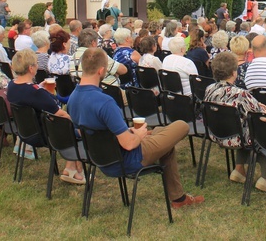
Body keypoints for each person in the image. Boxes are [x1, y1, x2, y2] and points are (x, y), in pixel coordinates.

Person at [68, 47, 204, 207]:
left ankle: (179, 199)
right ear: (101, 71)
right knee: (181, 125)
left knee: (163, 137)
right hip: (127, 159)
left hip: (100, 158)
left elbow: (83, 131)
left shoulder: (73, 98)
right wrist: (138, 135)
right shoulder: (105, 102)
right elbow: (129, 144)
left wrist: (129, 132)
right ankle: (178, 198)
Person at [205, 51, 266, 192]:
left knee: (244, 125)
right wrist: (261, 108)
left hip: (216, 134)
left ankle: (239, 170)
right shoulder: (240, 94)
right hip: (237, 138)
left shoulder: (209, 89)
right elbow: (261, 117)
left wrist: (257, 107)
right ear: (234, 73)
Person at [7, 50, 85, 183]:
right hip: (44, 135)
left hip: (25, 132)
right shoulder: (35, 92)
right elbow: (60, 113)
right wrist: (76, 124)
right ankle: (73, 168)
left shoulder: (12, 85)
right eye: (37, 64)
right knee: (76, 127)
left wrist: (39, 88)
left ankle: (72, 168)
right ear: (31, 68)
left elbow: (30, 97)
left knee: (68, 125)